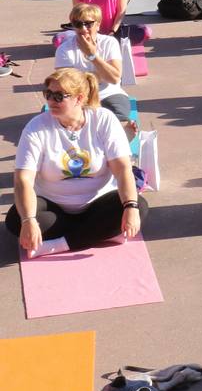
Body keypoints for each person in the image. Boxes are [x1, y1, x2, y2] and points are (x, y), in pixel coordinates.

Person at [5, 68, 146, 257]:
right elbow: (23, 179)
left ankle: (59, 245)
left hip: (98, 202)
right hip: (53, 205)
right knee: (16, 219)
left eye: (59, 96)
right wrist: (29, 220)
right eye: (48, 94)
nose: (51, 101)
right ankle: (100, 233)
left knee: (139, 206)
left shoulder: (103, 119)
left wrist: (130, 206)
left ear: (79, 99)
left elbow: (122, 170)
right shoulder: (36, 127)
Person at [55, 5, 135, 133]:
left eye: (88, 24)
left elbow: (114, 78)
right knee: (74, 121)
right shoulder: (64, 49)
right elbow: (66, 85)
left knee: (119, 116)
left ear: (98, 25)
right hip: (79, 97)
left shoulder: (109, 42)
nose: (83, 29)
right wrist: (99, 75)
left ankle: (119, 132)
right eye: (78, 24)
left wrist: (92, 56)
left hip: (109, 93)